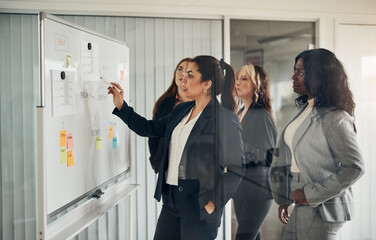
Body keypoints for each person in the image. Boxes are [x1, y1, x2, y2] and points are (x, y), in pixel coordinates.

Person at [108, 55, 245, 240]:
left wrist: (212, 205)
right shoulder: (182, 110)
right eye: (183, 75)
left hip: (199, 205)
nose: (183, 80)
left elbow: (237, 168)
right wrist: (122, 106)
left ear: (206, 84)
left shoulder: (224, 119)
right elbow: (148, 128)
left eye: (190, 75)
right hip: (171, 201)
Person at [270, 48, 365, 240]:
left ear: (319, 76)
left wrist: (309, 194)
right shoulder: (306, 109)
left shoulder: (335, 118)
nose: (294, 76)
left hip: (322, 207)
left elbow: (355, 167)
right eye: (295, 70)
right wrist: (283, 199)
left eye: (301, 72)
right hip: (298, 199)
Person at [232, 64, 277, 240]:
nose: (237, 82)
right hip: (241, 188)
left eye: (244, 78)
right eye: (237, 77)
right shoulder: (241, 112)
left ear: (257, 85)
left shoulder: (263, 115)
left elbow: (268, 156)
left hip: (258, 191)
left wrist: (235, 149)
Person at [148, 58, 192, 173]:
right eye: (180, 69)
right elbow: (153, 133)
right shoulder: (163, 103)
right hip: (167, 165)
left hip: (191, 165)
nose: (182, 74)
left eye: (188, 71)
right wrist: (155, 160)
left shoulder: (198, 103)